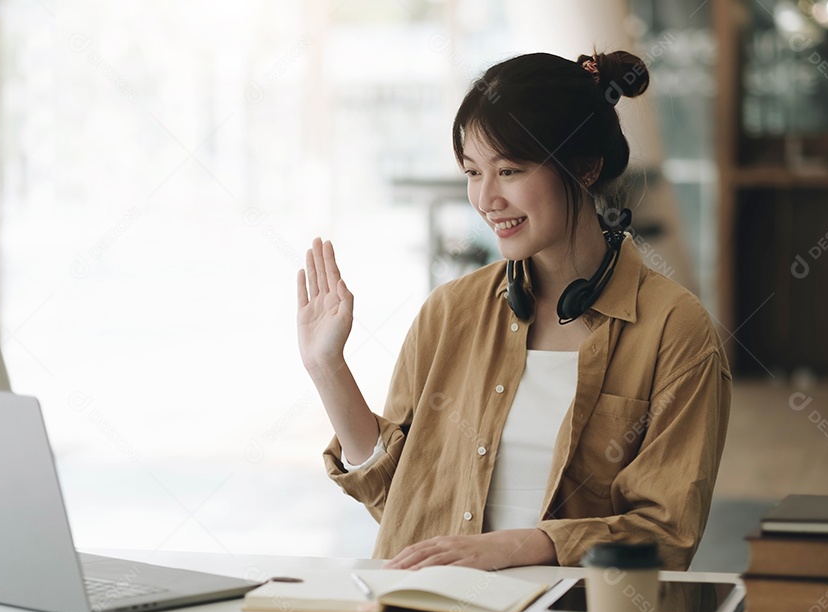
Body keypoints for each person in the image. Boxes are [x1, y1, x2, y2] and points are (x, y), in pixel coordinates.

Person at [296, 51, 731, 572]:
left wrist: (521, 546)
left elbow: (666, 534)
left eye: (509, 170)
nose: (485, 198)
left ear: (585, 167)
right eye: (472, 172)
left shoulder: (673, 329)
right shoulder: (450, 312)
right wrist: (328, 368)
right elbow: (397, 500)